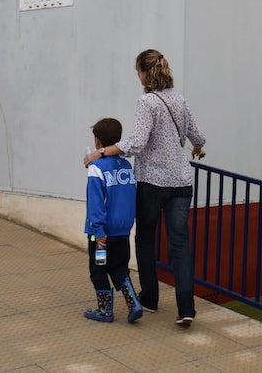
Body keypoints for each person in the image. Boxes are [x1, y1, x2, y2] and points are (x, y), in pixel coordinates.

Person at [84, 50, 205, 327]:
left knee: (146, 240)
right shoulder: (180, 99)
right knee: (180, 244)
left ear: (144, 73)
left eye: (137, 71)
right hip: (182, 183)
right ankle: (186, 308)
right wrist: (197, 147)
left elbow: (136, 142)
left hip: (152, 182)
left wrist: (100, 153)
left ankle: (150, 298)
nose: (136, 75)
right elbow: (197, 135)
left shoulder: (147, 102)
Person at [82, 117, 143, 323]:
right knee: (119, 267)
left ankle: (105, 310)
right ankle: (133, 302)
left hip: (101, 236)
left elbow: (96, 203)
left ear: (97, 142)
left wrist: (98, 231)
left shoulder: (96, 168)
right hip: (122, 232)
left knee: (98, 269)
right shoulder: (126, 165)